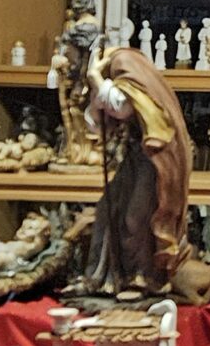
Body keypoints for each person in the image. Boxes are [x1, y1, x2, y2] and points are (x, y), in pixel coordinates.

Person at [74, 45, 189, 296]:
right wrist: (96, 87)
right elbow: (95, 123)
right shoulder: (117, 83)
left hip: (154, 161)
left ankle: (142, 275)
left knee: (136, 217)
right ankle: (105, 277)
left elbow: (120, 107)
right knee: (107, 209)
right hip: (133, 157)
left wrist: (95, 78)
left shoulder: (136, 82)